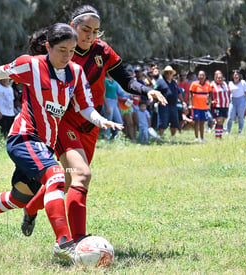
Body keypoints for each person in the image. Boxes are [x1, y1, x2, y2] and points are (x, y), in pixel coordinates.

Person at [0, 23, 122, 263]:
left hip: (44, 145)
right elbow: (0, 72)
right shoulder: (31, 64)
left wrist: (101, 120)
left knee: (19, 197)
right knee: (57, 176)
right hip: (23, 137)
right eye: (62, 50)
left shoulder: (75, 72)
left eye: (72, 50)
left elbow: (85, 106)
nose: (68, 56)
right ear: (48, 47)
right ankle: (64, 243)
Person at [21, 5, 167, 244]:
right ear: (73, 27)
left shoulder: (102, 51)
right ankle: (78, 242)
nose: (90, 36)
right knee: (82, 174)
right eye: (85, 29)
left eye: (95, 31)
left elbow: (126, 80)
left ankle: (32, 207)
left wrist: (147, 90)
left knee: (69, 179)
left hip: (91, 125)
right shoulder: (59, 51)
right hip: (64, 122)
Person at [154, 65, 185, 137]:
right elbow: (154, 91)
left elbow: (179, 93)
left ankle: (173, 137)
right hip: (163, 105)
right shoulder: (160, 82)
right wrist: (157, 100)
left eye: (170, 73)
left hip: (174, 105)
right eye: (167, 73)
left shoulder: (174, 83)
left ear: (172, 74)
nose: (168, 74)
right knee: (163, 122)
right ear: (164, 74)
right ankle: (160, 136)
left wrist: (183, 102)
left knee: (174, 122)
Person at [189, 70, 212, 142]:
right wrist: (190, 104)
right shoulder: (194, 84)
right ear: (198, 76)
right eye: (200, 75)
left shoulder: (208, 84)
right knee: (196, 122)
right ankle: (196, 137)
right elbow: (190, 94)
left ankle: (202, 138)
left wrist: (209, 100)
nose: (201, 77)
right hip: (196, 106)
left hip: (204, 107)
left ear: (205, 77)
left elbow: (210, 93)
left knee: (202, 122)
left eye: (203, 75)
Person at [226, 70, 246, 134]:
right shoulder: (230, 83)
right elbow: (228, 92)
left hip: (241, 99)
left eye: (237, 75)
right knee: (230, 116)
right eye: (234, 75)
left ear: (239, 76)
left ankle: (240, 130)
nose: (236, 76)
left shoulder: (243, 82)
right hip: (233, 100)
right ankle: (228, 130)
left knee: (240, 116)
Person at [102, 72, 124, 139]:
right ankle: (106, 138)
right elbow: (103, 95)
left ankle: (118, 139)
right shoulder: (105, 80)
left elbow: (116, 94)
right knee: (108, 121)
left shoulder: (114, 81)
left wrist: (118, 106)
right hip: (108, 101)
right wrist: (107, 106)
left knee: (119, 121)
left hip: (115, 102)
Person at [210, 70, 230, 139]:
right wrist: (211, 101)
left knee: (222, 121)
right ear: (215, 78)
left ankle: (220, 135)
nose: (220, 79)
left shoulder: (225, 84)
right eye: (218, 78)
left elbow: (228, 92)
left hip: (225, 105)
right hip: (217, 106)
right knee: (219, 120)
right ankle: (217, 136)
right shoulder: (212, 85)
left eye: (221, 77)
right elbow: (208, 94)